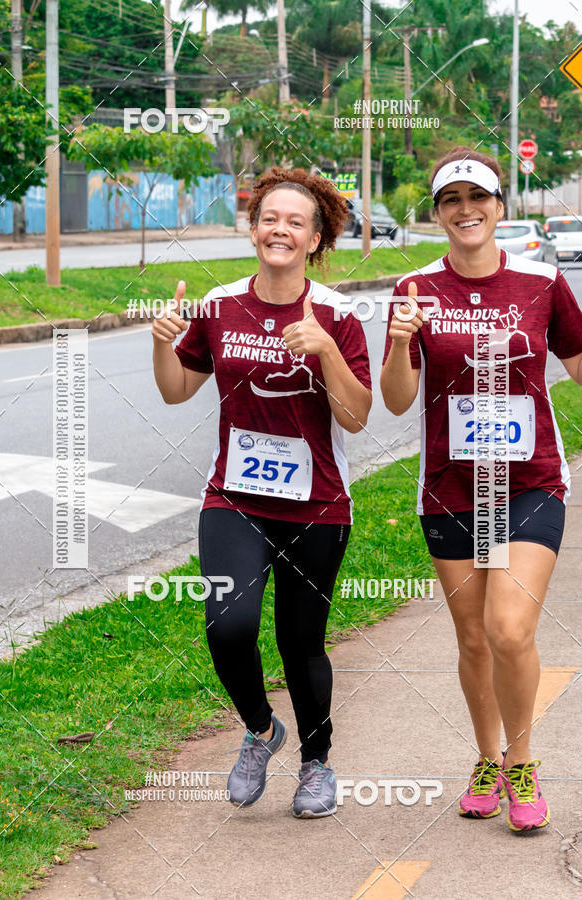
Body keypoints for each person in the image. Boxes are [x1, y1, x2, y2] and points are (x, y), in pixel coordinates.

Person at [152, 167, 372, 817]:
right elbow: (174, 390)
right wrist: (161, 343)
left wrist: (326, 350)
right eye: (269, 218)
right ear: (253, 229)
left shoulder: (339, 315)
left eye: (295, 222)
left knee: (300, 643)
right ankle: (259, 730)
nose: (280, 228)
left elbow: (356, 416)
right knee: (229, 627)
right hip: (235, 500)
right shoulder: (219, 305)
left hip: (318, 506)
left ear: (315, 239)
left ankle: (316, 764)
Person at [380, 146, 582, 833]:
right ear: (438, 214)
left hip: (528, 482)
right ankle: (486, 758)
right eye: (451, 200)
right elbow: (397, 399)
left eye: (478, 198)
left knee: (508, 627)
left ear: (501, 207)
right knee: (472, 639)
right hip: (449, 488)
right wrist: (401, 342)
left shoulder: (542, 283)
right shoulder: (413, 289)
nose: (466, 210)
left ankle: (521, 761)